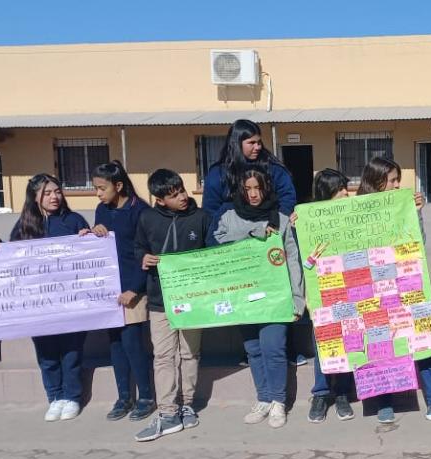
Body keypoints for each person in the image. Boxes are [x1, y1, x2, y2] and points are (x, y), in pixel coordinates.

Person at [358, 157, 431, 424]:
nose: (398, 186)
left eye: (398, 180)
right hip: (371, 290)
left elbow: (417, 242)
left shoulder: (404, 206)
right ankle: (384, 402)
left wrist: (416, 214)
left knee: (423, 342)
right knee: (380, 346)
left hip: (406, 285)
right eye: (393, 180)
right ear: (376, 181)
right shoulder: (355, 209)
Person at [0, 174, 90, 422]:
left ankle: (72, 397)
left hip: (72, 304)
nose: (54, 197)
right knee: (47, 353)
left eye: (57, 191)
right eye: (47, 193)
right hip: (39, 307)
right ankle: (55, 397)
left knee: (72, 351)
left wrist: (90, 238)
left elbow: (90, 253)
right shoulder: (24, 225)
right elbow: (11, 258)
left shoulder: (73, 220)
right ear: (35, 197)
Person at [213, 167, 306, 428]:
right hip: (243, 297)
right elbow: (217, 245)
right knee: (253, 349)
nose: (253, 194)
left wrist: (297, 298)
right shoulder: (229, 217)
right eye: (248, 189)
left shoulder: (281, 218)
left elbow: (294, 260)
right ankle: (263, 398)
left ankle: (278, 401)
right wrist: (252, 232)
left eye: (258, 188)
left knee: (273, 348)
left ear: (267, 188)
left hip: (275, 298)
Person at [133, 169, 210, 441]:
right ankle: (167, 411)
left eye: (182, 191)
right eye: (174, 195)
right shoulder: (147, 218)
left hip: (193, 300)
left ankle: (187, 403)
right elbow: (137, 247)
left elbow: (213, 251)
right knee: (164, 356)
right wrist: (143, 258)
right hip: (159, 300)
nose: (183, 197)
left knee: (190, 353)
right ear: (160, 199)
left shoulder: (200, 217)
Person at [90, 161, 156, 422]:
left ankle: (146, 396)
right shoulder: (101, 210)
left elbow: (149, 255)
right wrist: (94, 232)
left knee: (132, 343)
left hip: (134, 289)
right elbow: (100, 245)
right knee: (115, 343)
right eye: (95, 188)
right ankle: (123, 397)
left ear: (118, 186)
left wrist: (135, 288)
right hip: (110, 288)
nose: (98, 194)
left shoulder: (140, 211)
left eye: (101, 188)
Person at [306, 168, 357, 423]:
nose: (346, 194)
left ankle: (342, 392)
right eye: (339, 190)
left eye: (346, 188)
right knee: (323, 343)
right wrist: (298, 226)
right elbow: (305, 261)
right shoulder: (308, 221)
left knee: (347, 341)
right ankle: (321, 392)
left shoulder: (354, 216)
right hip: (322, 294)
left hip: (350, 290)